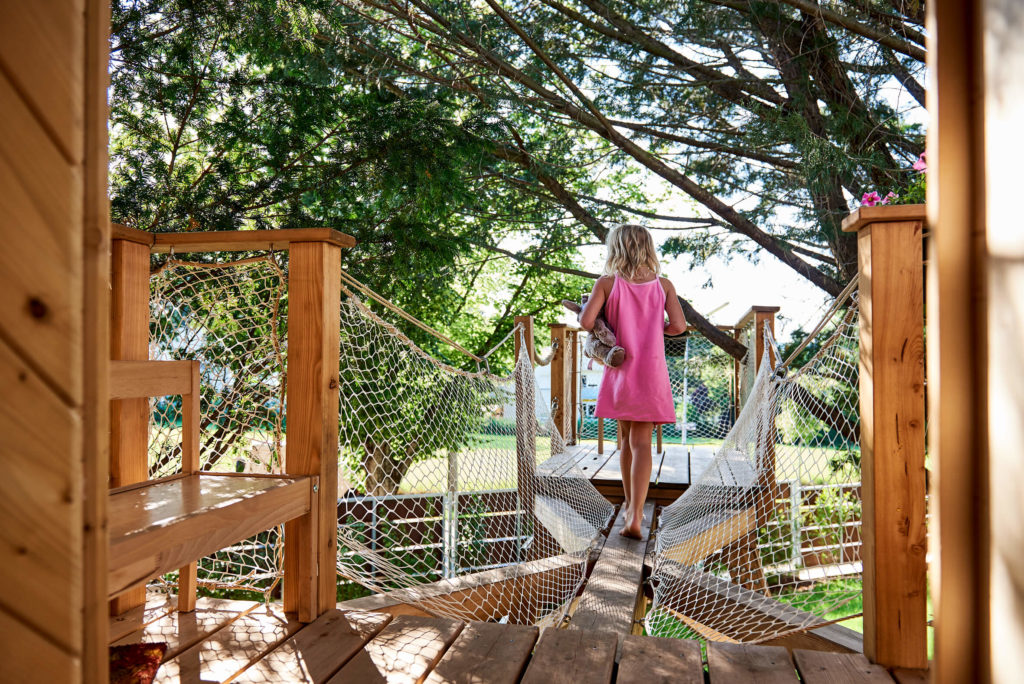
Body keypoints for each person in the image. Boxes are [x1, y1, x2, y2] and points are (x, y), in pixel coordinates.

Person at [580, 224, 687, 539]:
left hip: (621, 370)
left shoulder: (607, 283)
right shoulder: (663, 285)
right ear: (647, 249)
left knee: (625, 441)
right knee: (641, 444)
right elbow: (679, 326)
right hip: (651, 371)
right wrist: (656, 330)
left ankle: (631, 509)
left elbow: (587, 321)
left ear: (616, 249)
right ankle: (635, 513)